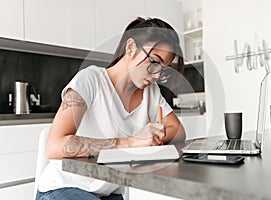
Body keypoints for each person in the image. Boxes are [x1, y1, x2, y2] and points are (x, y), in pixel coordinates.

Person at [36, 17, 186, 200]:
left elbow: (178, 131)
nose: (156, 75)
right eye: (154, 62)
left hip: (108, 192)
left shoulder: (151, 92)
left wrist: (153, 137)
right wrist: (130, 142)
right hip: (64, 188)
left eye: (163, 69)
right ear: (131, 47)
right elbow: (55, 145)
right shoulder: (90, 79)